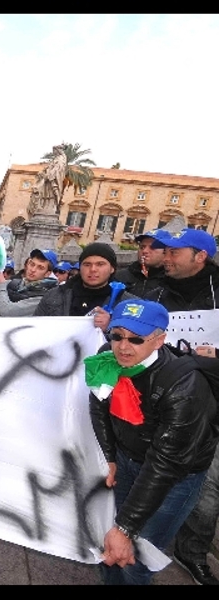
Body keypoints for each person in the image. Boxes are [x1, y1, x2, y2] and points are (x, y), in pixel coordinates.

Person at [85, 299, 219, 585]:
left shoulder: (184, 387)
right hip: (126, 456)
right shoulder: (108, 355)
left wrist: (125, 528)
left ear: (160, 340)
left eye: (136, 338)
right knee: (113, 540)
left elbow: (165, 464)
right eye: (117, 335)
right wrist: (109, 457)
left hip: (175, 477)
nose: (123, 346)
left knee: (139, 553)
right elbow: (99, 405)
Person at [141, 227, 219, 585]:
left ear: (200, 256)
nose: (165, 258)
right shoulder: (154, 289)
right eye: (164, 251)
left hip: (213, 406)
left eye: (174, 252)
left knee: (207, 489)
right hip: (162, 402)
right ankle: (136, 537)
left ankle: (192, 553)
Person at [34, 243, 136, 331]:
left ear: (112, 268)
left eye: (100, 264)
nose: (93, 269)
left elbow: (139, 343)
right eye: (87, 264)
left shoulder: (129, 304)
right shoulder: (54, 296)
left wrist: (111, 328)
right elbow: (35, 329)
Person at [0, 248, 59, 317]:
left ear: (48, 273)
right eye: (32, 264)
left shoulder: (45, 296)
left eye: (40, 268)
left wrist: (1, 285)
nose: (33, 270)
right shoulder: (15, 283)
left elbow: (8, 312)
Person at [114, 230, 168, 297]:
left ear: (166, 251)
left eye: (152, 247)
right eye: (142, 247)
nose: (144, 251)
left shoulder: (170, 282)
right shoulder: (120, 277)